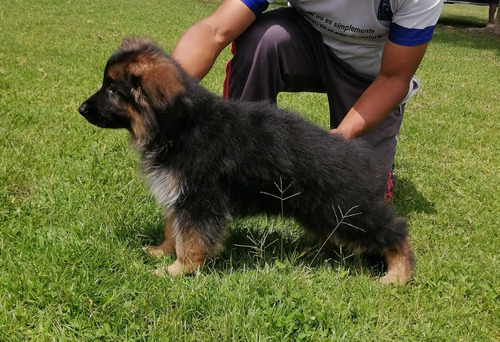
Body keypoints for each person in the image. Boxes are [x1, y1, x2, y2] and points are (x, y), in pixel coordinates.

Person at [171, 0, 444, 201]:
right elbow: (215, 29)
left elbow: (394, 77)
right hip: (304, 43)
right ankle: (236, 165)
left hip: (371, 77)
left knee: (358, 204)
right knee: (263, 40)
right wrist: (166, 94)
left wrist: (341, 136)